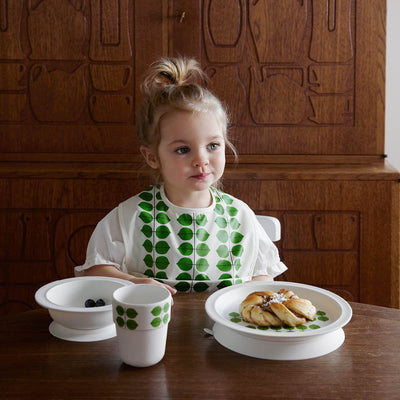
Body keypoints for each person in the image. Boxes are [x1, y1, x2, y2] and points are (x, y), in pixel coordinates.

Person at [75, 56, 287, 295]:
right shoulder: (130, 216)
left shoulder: (241, 215)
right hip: (157, 329)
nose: (202, 160)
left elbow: (262, 275)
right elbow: (95, 271)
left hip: (224, 331)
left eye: (213, 146)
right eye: (183, 150)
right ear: (152, 157)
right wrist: (135, 284)